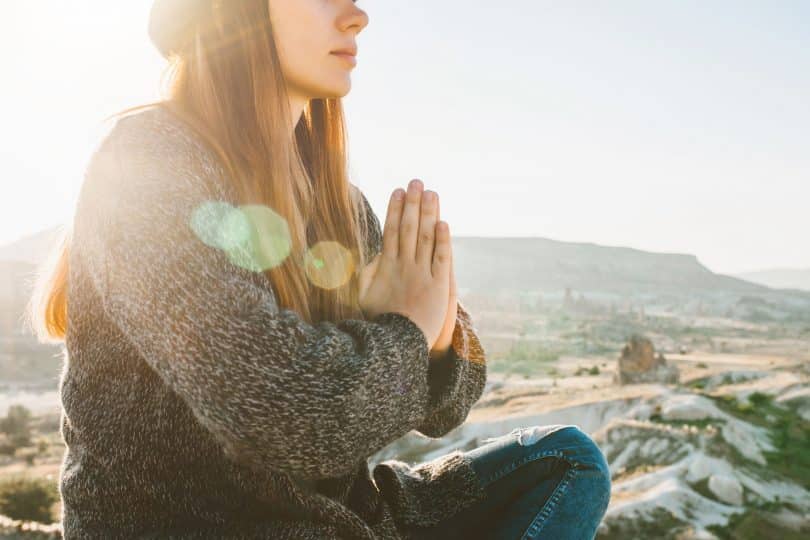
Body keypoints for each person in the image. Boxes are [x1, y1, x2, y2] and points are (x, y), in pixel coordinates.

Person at [27, 1, 611, 538]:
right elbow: (291, 417)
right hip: (210, 526)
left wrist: (433, 342)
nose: (357, 16)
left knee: (566, 461)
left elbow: (449, 404)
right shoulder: (147, 161)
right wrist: (407, 332)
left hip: (340, 517)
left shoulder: (337, 200)